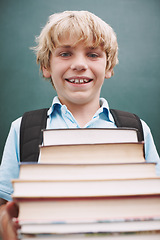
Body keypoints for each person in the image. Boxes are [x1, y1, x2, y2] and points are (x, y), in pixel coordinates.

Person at [0, 10, 159, 239]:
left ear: (108, 67)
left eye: (93, 55)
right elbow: (5, 206)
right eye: (65, 53)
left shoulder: (136, 130)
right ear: (46, 66)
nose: (79, 64)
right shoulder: (23, 128)